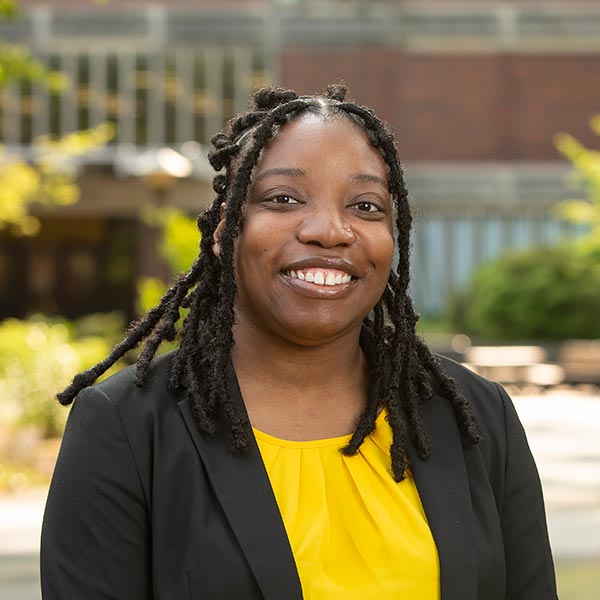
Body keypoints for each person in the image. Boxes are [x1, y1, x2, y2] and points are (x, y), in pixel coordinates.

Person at [40, 85, 558, 600]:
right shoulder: (127, 427)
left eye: (365, 205)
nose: (330, 231)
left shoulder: (476, 415)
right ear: (224, 233)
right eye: (283, 199)